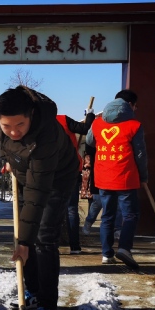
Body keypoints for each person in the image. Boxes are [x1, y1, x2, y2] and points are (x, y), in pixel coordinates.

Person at [0, 86, 80, 310]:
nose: (13, 131)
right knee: (25, 234)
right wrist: (9, 160)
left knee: (42, 238)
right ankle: (32, 291)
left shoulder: (47, 136)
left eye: (20, 125)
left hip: (57, 178)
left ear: (31, 114)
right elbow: (4, 144)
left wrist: (24, 242)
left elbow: (37, 193)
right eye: (7, 126)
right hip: (24, 174)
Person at [86, 89, 147, 270]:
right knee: (130, 215)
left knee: (107, 216)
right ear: (130, 104)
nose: (135, 109)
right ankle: (124, 249)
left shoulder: (97, 123)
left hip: (104, 177)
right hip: (125, 178)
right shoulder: (134, 125)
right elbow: (140, 154)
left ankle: (106, 254)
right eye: (135, 106)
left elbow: (89, 141)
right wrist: (144, 176)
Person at [58, 108, 96, 254]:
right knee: (71, 209)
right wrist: (90, 115)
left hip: (48, 171)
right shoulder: (63, 119)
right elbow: (86, 129)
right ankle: (75, 246)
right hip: (70, 169)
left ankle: (50, 244)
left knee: (50, 209)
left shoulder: (36, 123)